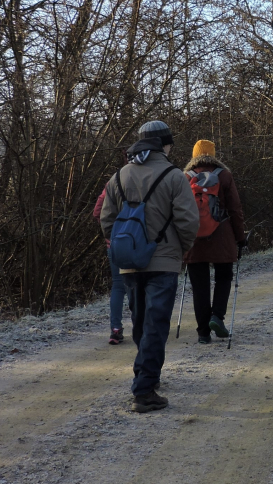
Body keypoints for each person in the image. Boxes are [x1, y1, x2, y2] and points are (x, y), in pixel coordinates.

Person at [100, 120, 199, 413]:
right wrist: (181, 248)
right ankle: (144, 389)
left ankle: (145, 375)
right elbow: (188, 221)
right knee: (156, 323)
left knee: (141, 320)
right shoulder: (174, 176)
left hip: (129, 261)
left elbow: (107, 221)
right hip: (164, 260)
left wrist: (124, 244)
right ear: (164, 145)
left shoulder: (117, 177)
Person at [183, 140, 247, 345]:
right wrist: (240, 238)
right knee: (224, 278)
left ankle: (203, 332)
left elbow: (178, 211)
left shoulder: (185, 177)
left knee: (199, 285)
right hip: (222, 235)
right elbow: (235, 209)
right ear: (213, 154)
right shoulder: (224, 175)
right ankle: (217, 317)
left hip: (194, 238)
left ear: (194, 156)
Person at [93, 187, 133, 345]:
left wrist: (110, 234)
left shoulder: (112, 184)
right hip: (135, 242)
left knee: (117, 284)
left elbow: (97, 212)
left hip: (114, 244)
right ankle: (139, 326)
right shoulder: (139, 181)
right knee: (133, 284)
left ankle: (115, 329)